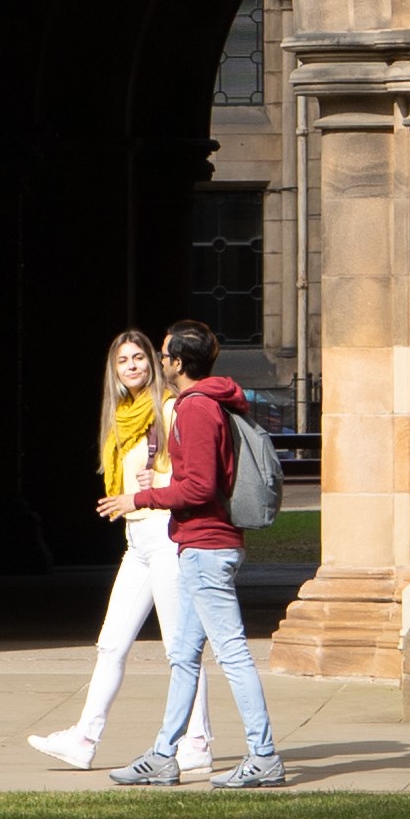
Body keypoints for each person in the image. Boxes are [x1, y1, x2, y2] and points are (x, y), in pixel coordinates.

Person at [106, 322, 287, 788]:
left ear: (178, 364)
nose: (159, 361)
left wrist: (141, 498)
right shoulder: (203, 402)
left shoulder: (197, 409)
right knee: (184, 655)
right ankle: (164, 754)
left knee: (232, 653)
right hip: (196, 546)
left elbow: (201, 487)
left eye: (164, 355)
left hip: (208, 546)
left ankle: (263, 756)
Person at [27, 330, 201, 772]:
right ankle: (84, 739)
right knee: (111, 644)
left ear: (154, 362)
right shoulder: (121, 415)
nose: (133, 366)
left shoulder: (168, 408)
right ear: (115, 370)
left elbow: (192, 475)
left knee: (179, 649)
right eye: (123, 360)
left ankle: (197, 741)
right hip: (137, 541)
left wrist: (151, 489)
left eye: (140, 357)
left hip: (165, 534)